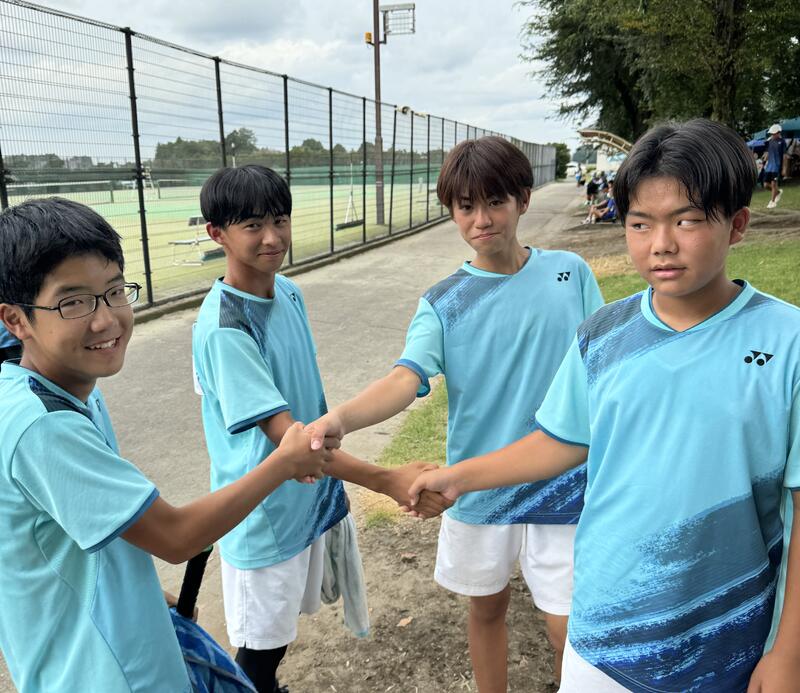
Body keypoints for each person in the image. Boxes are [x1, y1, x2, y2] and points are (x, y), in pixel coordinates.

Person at [408, 118, 800, 692]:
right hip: (600, 636)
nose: (661, 244)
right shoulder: (603, 336)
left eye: (687, 221)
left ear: (737, 224)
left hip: (726, 642)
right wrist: (457, 477)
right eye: (640, 223)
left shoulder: (788, 342)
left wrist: (787, 652)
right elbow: (560, 440)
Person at [307, 136, 604, 692]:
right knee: (486, 609)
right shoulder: (443, 301)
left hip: (566, 481)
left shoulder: (570, 273)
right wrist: (341, 419)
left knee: (568, 628)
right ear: (451, 211)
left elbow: (601, 363)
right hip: (476, 487)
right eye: (466, 206)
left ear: (523, 199)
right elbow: (405, 378)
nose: (481, 219)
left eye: (495, 202)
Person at [0, 197, 330, 692]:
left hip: (117, 646)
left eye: (114, 292)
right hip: (104, 673)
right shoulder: (43, 426)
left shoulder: (54, 390)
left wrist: (146, 595)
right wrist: (283, 463)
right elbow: (175, 537)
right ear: (16, 319)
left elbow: (81, 529)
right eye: (73, 302)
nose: (105, 319)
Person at [192, 164, 448, 693]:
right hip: (263, 514)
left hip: (305, 500)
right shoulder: (225, 329)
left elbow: (310, 411)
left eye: (280, 221)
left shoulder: (287, 291)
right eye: (252, 225)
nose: (272, 237)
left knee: (277, 638)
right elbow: (293, 443)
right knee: (258, 651)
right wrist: (386, 478)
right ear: (217, 234)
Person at [764, 123, 786, 208]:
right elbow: (767, 153)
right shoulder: (769, 141)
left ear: (778, 132)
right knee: (766, 185)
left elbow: (784, 156)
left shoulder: (782, 142)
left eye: (774, 133)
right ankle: (778, 192)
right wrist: (765, 158)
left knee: (774, 184)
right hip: (769, 167)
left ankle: (773, 202)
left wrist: (784, 168)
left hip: (777, 166)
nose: (772, 135)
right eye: (771, 133)